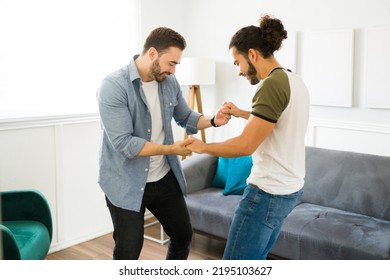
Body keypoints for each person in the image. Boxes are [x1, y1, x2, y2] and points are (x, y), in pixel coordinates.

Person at [96, 27, 230, 260]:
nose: (173, 70)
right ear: (152, 53)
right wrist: (172, 149)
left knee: (183, 235)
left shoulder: (169, 82)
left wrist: (214, 120)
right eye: (171, 63)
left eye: (177, 64)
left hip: (163, 176)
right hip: (125, 181)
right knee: (128, 251)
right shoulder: (113, 86)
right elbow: (125, 144)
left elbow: (186, 117)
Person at [187, 14, 310, 260]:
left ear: (252, 54)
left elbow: (245, 145)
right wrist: (243, 113)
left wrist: (202, 147)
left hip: (266, 193)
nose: (239, 71)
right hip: (290, 189)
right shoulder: (293, 79)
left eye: (237, 62)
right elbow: (277, 123)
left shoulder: (270, 85)